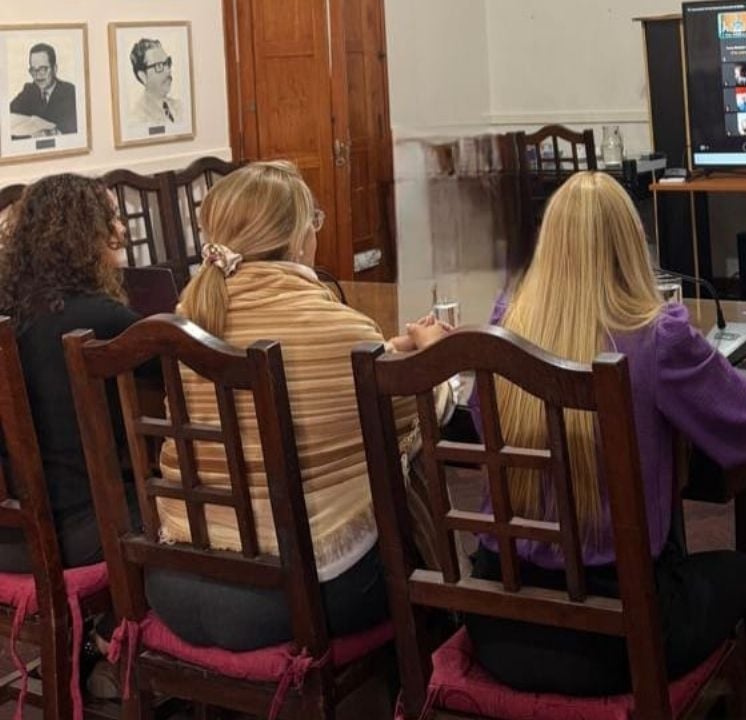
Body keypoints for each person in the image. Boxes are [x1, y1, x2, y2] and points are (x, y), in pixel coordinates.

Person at [464, 171, 746, 696]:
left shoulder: (506, 323)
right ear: (634, 242)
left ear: (547, 243)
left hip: (498, 626)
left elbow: (484, 423)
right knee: (745, 576)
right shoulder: (658, 335)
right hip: (619, 641)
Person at [145, 161, 454, 651]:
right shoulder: (339, 329)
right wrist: (435, 358)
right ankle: (438, 643)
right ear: (298, 237)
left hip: (174, 581)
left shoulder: (186, 321)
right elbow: (420, 414)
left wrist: (384, 351)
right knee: (407, 477)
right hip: (300, 595)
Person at [0, 175, 137, 697]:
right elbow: (178, 379)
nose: (121, 230)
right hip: (72, 535)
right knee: (177, 514)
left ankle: (90, 647)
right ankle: (112, 641)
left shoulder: (11, 309)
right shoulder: (100, 317)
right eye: (110, 220)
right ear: (85, 235)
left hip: (9, 535)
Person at [8, 43, 77, 136]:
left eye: (43, 69)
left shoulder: (70, 92)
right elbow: (8, 115)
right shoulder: (29, 90)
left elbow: (74, 131)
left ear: (54, 69)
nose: (37, 75)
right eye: (33, 70)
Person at [128, 38, 183, 128]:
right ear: (143, 76)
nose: (168, 71)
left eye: (167, 63)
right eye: (159, 66)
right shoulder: (138, 118)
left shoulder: (179, 107)